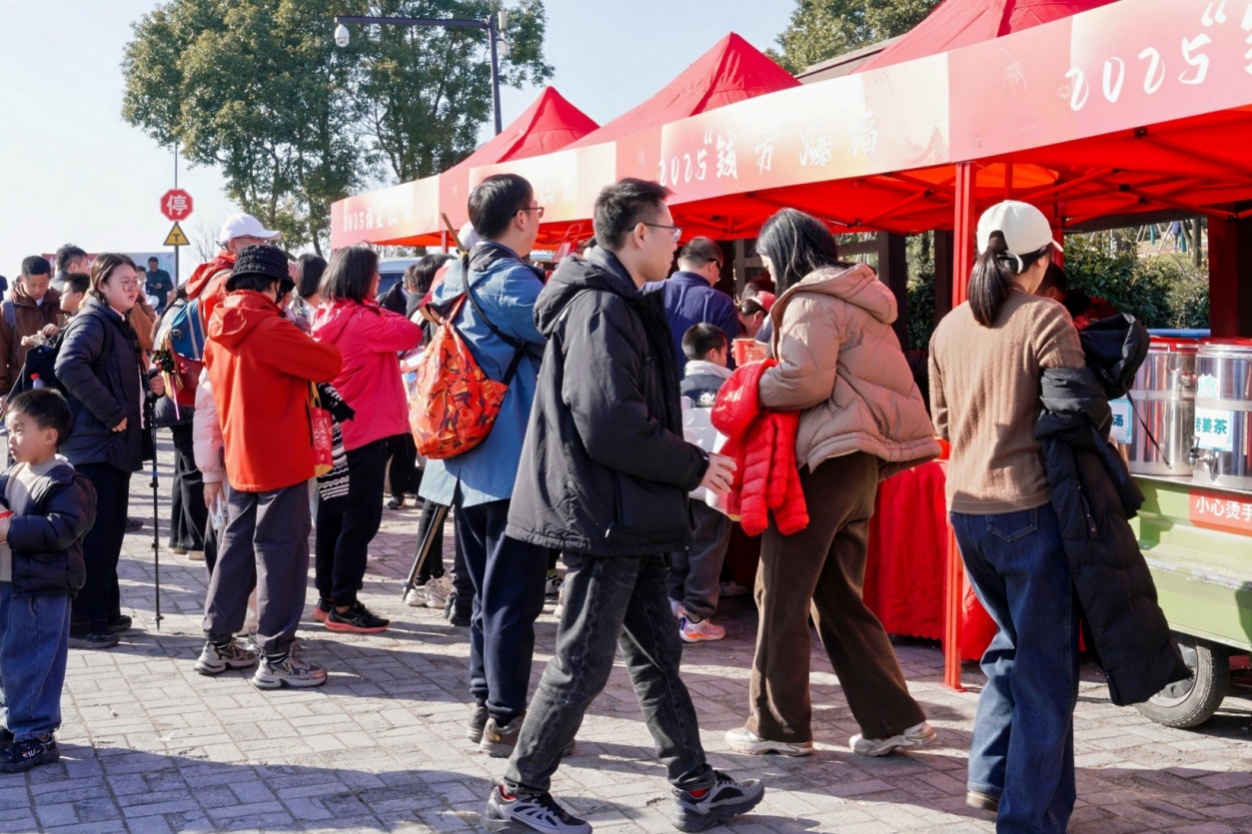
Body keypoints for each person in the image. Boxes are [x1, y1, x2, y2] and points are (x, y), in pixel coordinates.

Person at [489, 178, 762, 834]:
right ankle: (517, 793)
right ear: (639, 234)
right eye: (669, 232)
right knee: (582, 660)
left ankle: (696, 788)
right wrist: (694, 464)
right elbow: (607, 420)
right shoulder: (599, 307)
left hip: (627, 510)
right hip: (603, 511)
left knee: (656, 655)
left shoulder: (618, 299)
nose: (675, 245)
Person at [724, 208, 940, 761]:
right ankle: (894, 719)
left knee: (777, 591)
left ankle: (777, 728)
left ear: (787, 251)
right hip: (860, 465)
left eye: (769, 254)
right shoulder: (860, 298)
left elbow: (803, 380)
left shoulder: (810, 301)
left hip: (822, 463)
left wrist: (751, 380)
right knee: (837, 597)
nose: (768, 266)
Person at [928, 200, 1085, 829]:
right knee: (1046, 672)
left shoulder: (947, 327)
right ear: (1042, 259)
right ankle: (1027, 818)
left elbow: (942, 423)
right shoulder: (1048, 318)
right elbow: (1071, 419)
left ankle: (991, 781)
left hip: (967, 512)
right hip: (1031, 510)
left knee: (1013, 649)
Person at [419, 174, 549, 758]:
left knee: (483, 590)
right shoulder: (512, 279)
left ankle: (483, 703)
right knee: (512, 596)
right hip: (508, 457)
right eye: (537, 210)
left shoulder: (457, 271)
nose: (539, 219)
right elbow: (566, 338)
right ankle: (504, 717)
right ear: (520, 217)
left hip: (465, 456)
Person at [196, 244, 342, 688]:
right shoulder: (270, 328)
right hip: (281, 455)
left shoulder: (219, 327)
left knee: (236, 548)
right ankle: (276, 654)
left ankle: (217, 643)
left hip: (240, 454)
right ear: (276, 285)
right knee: (282, 552)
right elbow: (328, 363)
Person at [310, 247, 422, 633]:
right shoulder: (365, 320)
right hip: (366, 431)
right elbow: (412, 331)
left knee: (332, 518)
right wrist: (378, 308)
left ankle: (328, 597)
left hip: (335, 434)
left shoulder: (325, 315)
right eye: (374, 276)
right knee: (360, 521)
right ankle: (344, 603)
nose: (379, 282)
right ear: (361, 279)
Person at [0, 389, 96, 773]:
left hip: (41, 589)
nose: (11, 437)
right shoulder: (15, 473)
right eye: (8, 430)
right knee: (9, 659)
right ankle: (16, 725)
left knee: (32, 660)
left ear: (50, 435)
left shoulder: (66, 481)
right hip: (9, 583)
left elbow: (62, 530)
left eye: (19, 429)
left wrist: (9, 529)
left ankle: (36, 734)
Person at [54, 253, 148, 649]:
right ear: (101, 284)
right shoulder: (94, 320)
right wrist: (112, 412)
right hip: (97, 447)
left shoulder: (117, 320)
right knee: (96, 537)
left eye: (135, 280)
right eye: (123, 281)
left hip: (112, 445)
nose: (133, 287)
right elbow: (69, 365)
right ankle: (83, 622)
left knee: (108, 533)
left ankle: (105, 612)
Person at [668, 323, 734, 643]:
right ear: (713, 353)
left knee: (681, 542)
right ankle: (696, 615)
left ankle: (676, 602)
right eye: (726, 351)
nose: (729, 357)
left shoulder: (675, 385)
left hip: (680, 476)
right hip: (716, 478)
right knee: (709, 544)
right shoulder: (729, 387)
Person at [643, 236, 740, 374]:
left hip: (650, 391)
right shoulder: (722, 303)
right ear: (712, 266)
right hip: (702, 392)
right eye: (719, 275)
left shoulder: (648, 291)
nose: (717, 280)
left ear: (679, 262)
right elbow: (729, 361)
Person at [186, 213, 283, 326]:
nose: (263, 245)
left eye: (264, 240)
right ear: (232, 245)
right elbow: (258, 326)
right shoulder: (232, 281)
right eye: (256, 238)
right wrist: (281, 291)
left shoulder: (215, 274)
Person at [0, 257, 63, 406]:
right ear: (22, 278)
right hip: (21, 386)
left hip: (58, 385)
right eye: (32, 284)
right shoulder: (9, 309)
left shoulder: (61, 303)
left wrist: (60, 331)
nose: (38, 290)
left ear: (50, 277)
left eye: (43, 284)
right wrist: (2, 391)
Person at [1034, 263, 1118, 331]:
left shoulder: (1073, 323)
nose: (1027, 300)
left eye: (1031, 292)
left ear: (1051, 292)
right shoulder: (1084, 304)